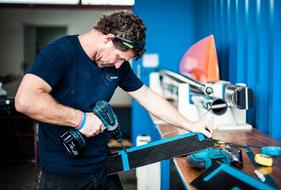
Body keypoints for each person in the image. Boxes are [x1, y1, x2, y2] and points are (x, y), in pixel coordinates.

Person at [15, 11, 214, 190]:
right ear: (108, 39)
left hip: (103, 166)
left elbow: (146, 95)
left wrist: (190, 124)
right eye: (119, 57)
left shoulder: (118, 65)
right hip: (63, 173)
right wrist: (81, 120)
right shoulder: (60, 52)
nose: (119, 66)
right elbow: (25, 100)